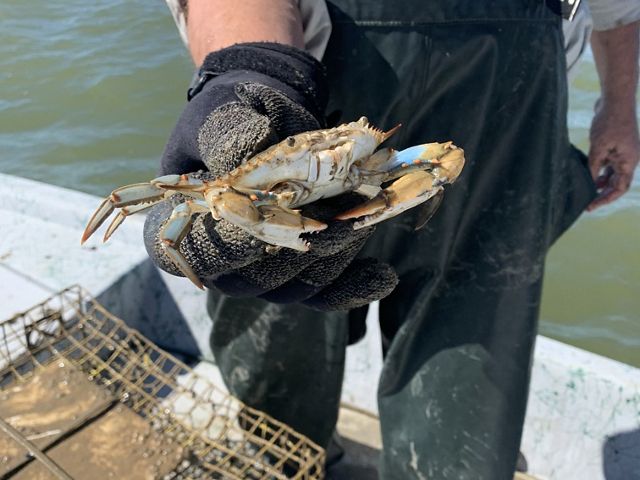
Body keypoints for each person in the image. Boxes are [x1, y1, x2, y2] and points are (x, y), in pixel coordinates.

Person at [145, 0, 639, 478]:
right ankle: (284, 463)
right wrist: (250, 67)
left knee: (469, 341)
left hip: (507, 104)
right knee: (271, 311)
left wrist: (618, 106)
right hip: (300, 86)